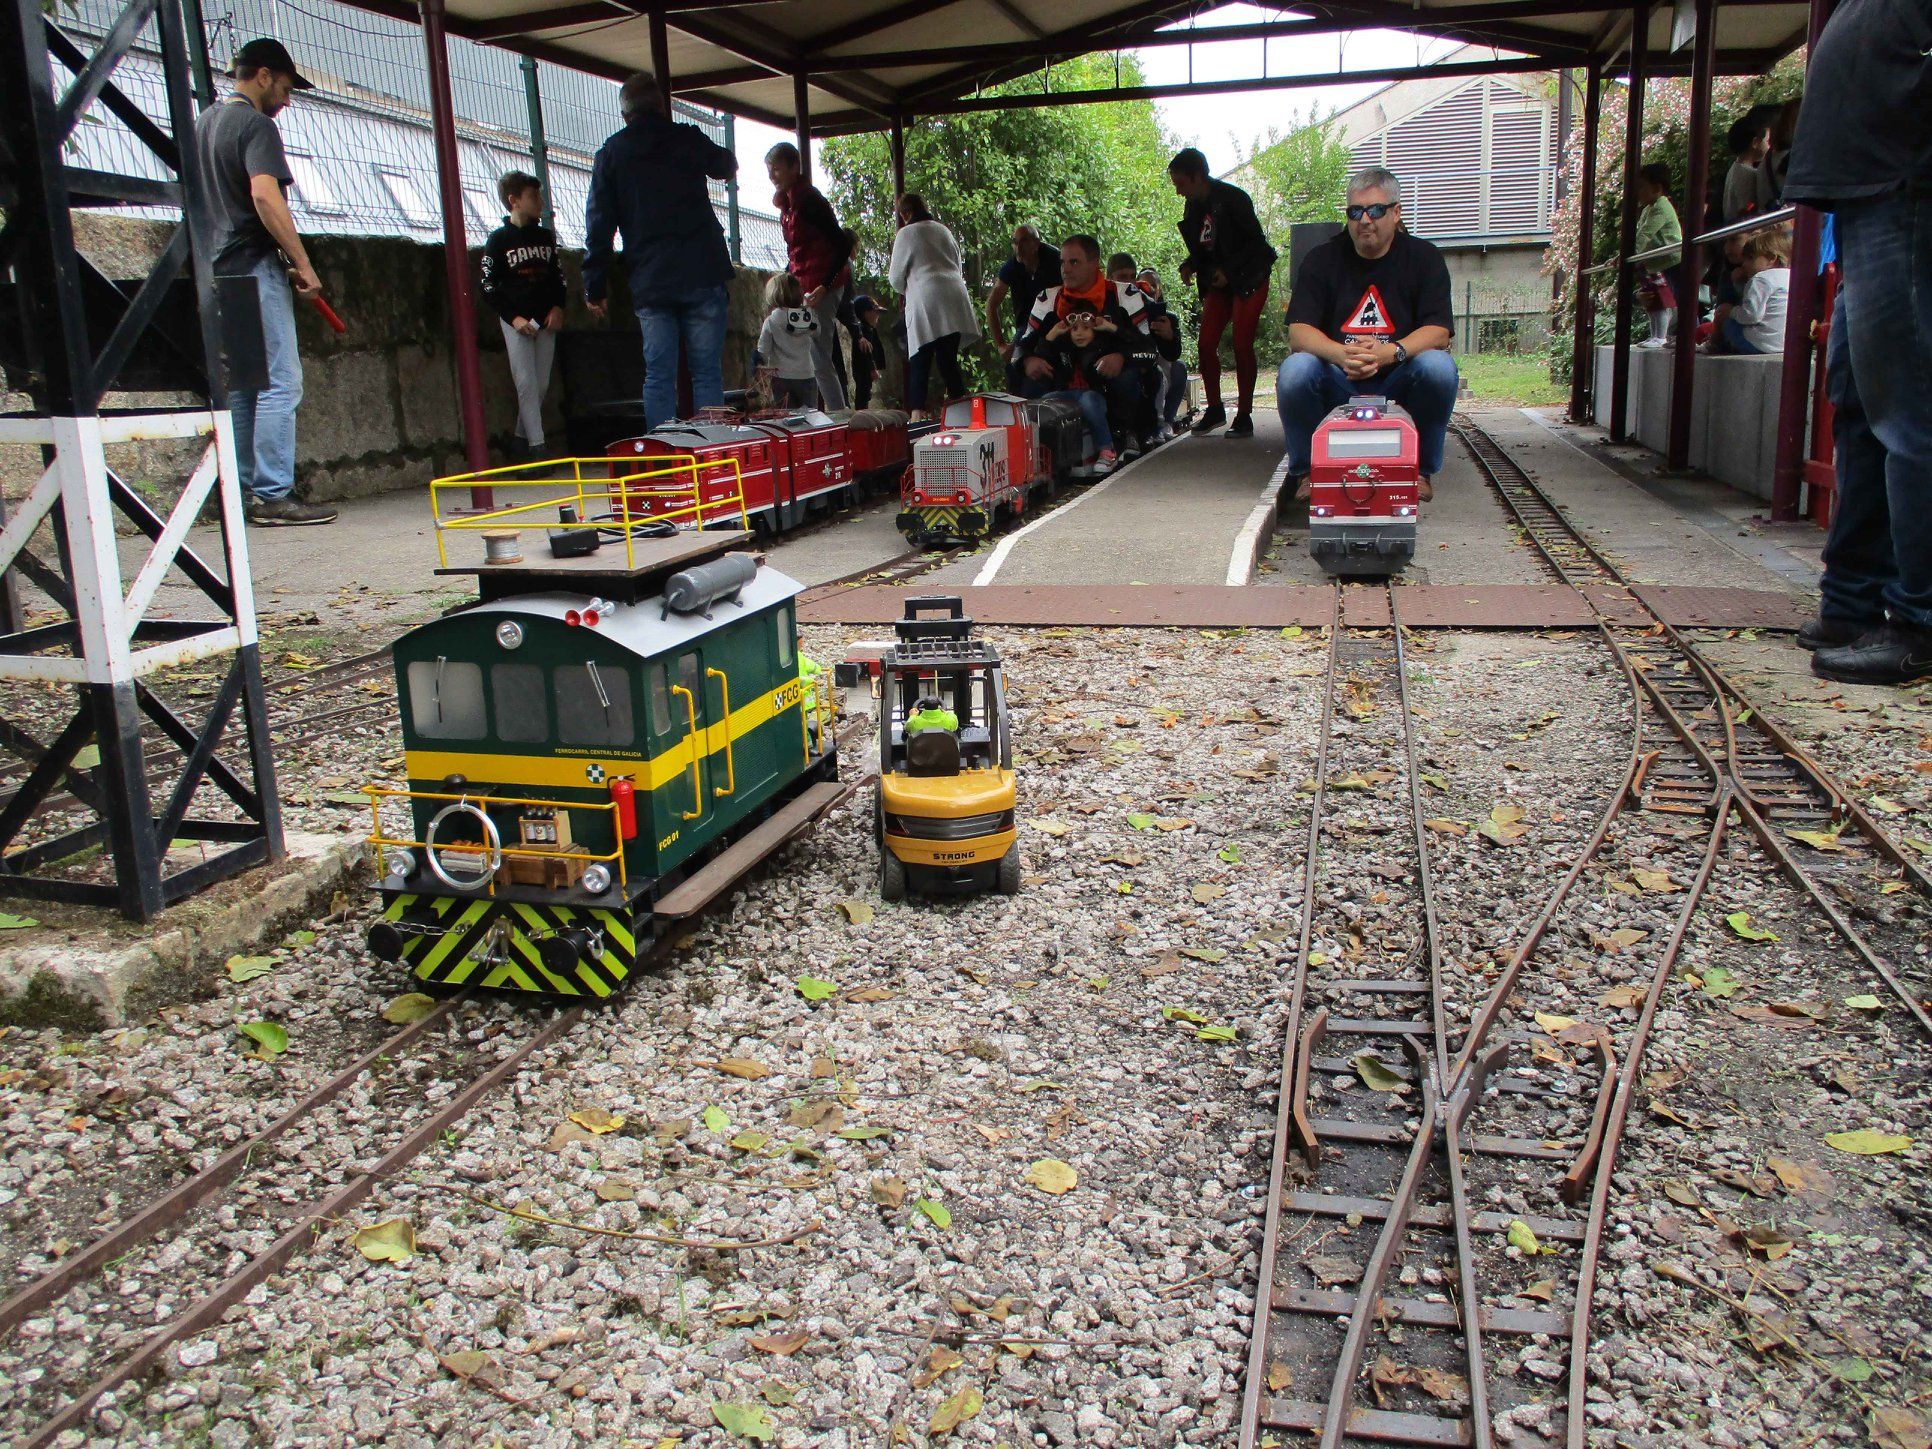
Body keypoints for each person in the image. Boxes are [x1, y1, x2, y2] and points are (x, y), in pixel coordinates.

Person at [1782, 0, 1932, 685]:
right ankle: (1853, 600)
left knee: (1908, 411)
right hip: (1867, 197)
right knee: (1859, 407)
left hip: (1905, 187)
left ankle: (1918, 621)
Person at [194, 38, 336, 526]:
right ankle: (274, 493)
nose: (288, 98)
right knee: (281, 381)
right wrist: (303, 262)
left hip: (214, 268)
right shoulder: (254, 125)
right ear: (262, 75)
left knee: (246, 385)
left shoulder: (204, 124)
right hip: (253, 263)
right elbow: (264, 196)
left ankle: (241, 491)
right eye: (285, 85)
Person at [1277, 166, 1456, 503]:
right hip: (1338, 377)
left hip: (1398, 379)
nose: (1365, 220)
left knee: (1438, 368)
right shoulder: (1321, 260)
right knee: (1294, 371)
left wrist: (1391, 352)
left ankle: (1420, 471)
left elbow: (1439, 331)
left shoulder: (1424, 258)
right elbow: (1299, 332)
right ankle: (1307, 473)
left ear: (1396, 212)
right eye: (1355, 212)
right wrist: (1340, 354)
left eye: (1376, 210)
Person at [583, 72, 737, 429]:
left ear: (625, 115)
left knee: (658, 375)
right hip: (702, 268)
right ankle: (711, 462)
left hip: (650, 277)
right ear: (662, 106)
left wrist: (596, 284)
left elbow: (599, 225)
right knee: (706, 374)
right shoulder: (684, 137)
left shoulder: (610, 154)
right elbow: (726, 164)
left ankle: (662, 462)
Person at [1014, 233, 1153, 469]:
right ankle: (1029, 452)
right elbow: (1020, 347)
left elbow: (1149, 350)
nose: (1065, 269)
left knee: (1126, 376)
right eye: (1062, 262)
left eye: (1074, 262)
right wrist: (1028, 361)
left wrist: (1122, 357)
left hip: (1106, 384)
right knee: (1026, 382)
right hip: (1062, 384)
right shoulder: (1047, 298)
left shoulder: (1125, 295)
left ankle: (1124, 435)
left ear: (1094, 262)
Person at [1168, 147, 1277, 438]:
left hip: (1249, 278)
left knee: (1242, 344)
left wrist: (1229, 270)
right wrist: (1191, 264)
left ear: (1198, 176)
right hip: (1221, 282)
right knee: (1206, 344)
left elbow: (1256, 243)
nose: (1178, 192)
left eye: (1181, 184)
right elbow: (1206, 245)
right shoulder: (1193, 207)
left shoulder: (1234, 198)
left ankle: (1244, 415)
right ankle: (1215, 409)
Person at [480, 170, 565, 461]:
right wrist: (512, 317)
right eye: (533, 196)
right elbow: (488, 286)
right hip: (516, 321)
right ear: (513, 200)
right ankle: (537, 448)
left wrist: (557, 307)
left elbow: (558, 278)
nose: (539, 202)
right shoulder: (499, 240)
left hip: (545, 320)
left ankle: (519, 441)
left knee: (539, 385)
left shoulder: (545, 237)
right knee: (525, 382)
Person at [766, 143, 854, 410]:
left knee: (817, 355)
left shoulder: (810, 201)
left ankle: (839, 418)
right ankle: (813, 413)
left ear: (794, 168)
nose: (772, 176)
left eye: (777, 170)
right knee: (808, 351)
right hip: (805, 286)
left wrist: (825, 286)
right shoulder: (788, 207)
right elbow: (796, 255)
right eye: (769, 171)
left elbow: (842, 245)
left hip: (824, 286)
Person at [887, 193, 980, 422]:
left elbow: (895, 277)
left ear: (905, 213)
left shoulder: (906, 233)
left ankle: (916, 417)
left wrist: (909, 287)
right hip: (955, 296)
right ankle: (964, 415)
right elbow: (957, 265)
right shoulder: (943, 230)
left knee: (920, 357)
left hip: (926, 297)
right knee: (948, 360)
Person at [987, 225, 1062, 390]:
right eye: (1015, 242)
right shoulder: (1012, 266)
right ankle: (1016, 406)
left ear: (1036, 243)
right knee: (1013, 365)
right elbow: (992, 304)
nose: (1018, 247)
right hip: (1026, 326)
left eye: (1024, 242)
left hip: (1056, 323)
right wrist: (1001, 345)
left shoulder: (1056, 260)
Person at [1707, 228, 1789, 355]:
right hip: (1784, 344)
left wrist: (1731, 311)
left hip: (1761, 344)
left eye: (1750, 258)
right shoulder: (1790, 276)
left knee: (1725, 319)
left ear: (1772, 258)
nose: (1744, 264)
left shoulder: (1761, 279)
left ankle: (1715, 345)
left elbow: (1751, 315)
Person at [1135, 267, 1191, 437]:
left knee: (1180, 367)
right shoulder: (1128, 315)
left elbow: (1174, 354)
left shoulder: (1169, 318)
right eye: (1144, 285)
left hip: (1164, 370)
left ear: (1159, 291)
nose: (1149, 290)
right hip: (1140, 370)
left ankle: (1167, 421)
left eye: (1153, 286)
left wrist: (1168, 336)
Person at [1632, 163, 1682, 347]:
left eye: (1642, 187)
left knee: (1672, 299)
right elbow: (1642, 236)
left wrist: (1628, 254)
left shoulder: (1661, 207)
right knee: (1654, 299)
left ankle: (1674, 336)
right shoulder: (1648, 209)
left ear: (1657, 188)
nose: (1638, 192)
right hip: (1658, 263)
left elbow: (1645, 234)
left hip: (1673, 260)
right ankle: (1657, 336)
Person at [754, 272, 818, 410]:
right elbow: (817, 331)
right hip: (806, 374)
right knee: (811, 417)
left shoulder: (771, 321)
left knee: (786, 417)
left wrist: (758, 365)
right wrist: (809, 308)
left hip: (781, 376)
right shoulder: (807, 318)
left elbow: (763, 351)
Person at [1723, 115, 1769, 224]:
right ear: (1755, 143)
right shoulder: (1749, 174)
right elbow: (1747, 209)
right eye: (1767, 141)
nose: (1769, 146)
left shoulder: (1734, 169)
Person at [850, 295, 886, 409]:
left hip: (862, 370)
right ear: (865, 313)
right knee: (863, 393)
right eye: (875, 312)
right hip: (863, 370)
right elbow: (866, 353)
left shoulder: (868, 329)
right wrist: (872, 369)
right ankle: (862, 415)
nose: (877, 315)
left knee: (865, 392)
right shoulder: (864, 331)